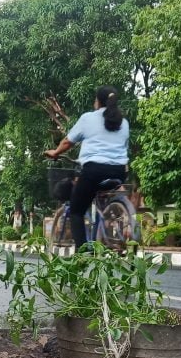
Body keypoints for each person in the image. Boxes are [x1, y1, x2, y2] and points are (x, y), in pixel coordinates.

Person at [44, 85, 130, 250]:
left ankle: (83, 252)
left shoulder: (88, 118)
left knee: (76, 210)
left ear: (98, 101)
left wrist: (55, 152)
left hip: (94, 171)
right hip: (120, 172)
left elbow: (68, 142)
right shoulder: (124, 123)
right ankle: (110, 227)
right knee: (98, 195)